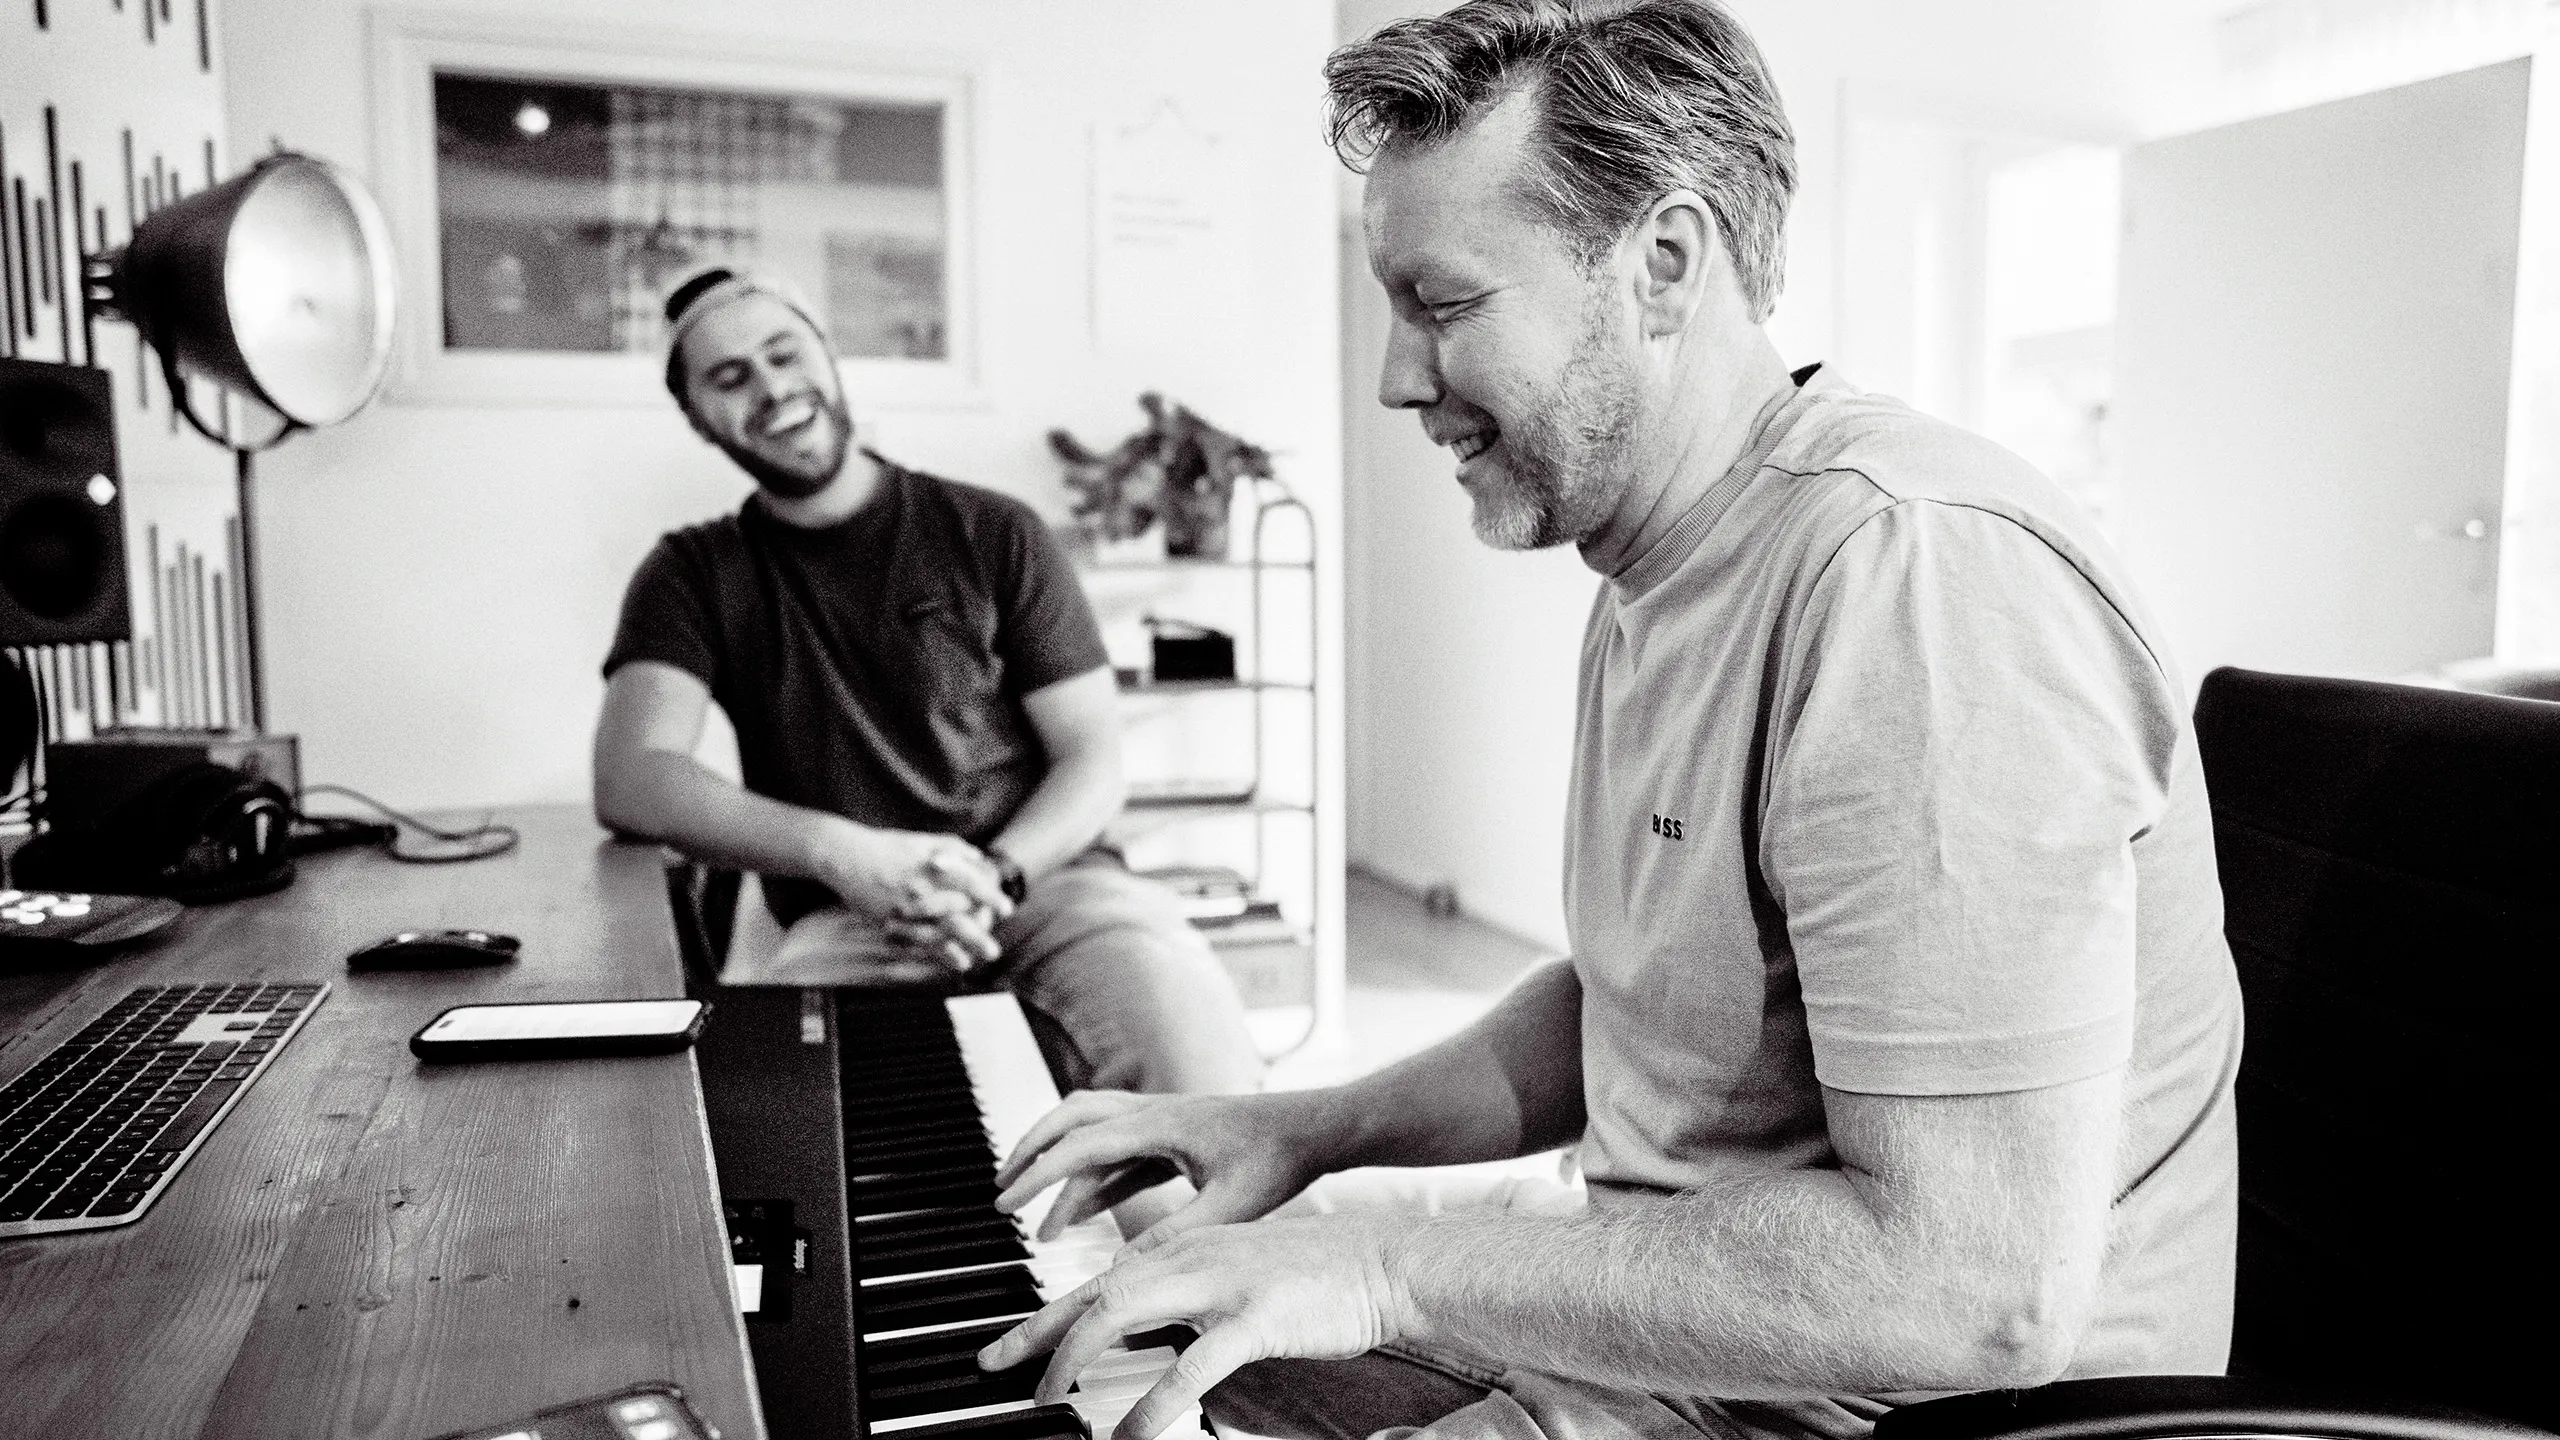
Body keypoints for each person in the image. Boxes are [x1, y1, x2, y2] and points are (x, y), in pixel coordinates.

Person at [977, 3, 2244, 1439]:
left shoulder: (1915, 579)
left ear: (1662, 264)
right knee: (1142, 1305)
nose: (1398, 377)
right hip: (1689, 1330)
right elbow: (1650, 1002)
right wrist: (1302, 1131)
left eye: (1444, 305)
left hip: (1878, 1406)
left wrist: (1389, 1267)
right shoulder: (1663, 557)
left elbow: (1973, 1287)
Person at [593, 268, 1261, 1099]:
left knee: (1200, 1068)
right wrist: (845, 856)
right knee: (771, 1122)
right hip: (850, 917)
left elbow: (1093, 759)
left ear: (829, 359)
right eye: (729, 378)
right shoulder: (692, 574)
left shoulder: (994, 532)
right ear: (698, 417)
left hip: (1050, 884)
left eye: (783, 353)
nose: (770, 387)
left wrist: (994, 877)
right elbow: (631, 778)